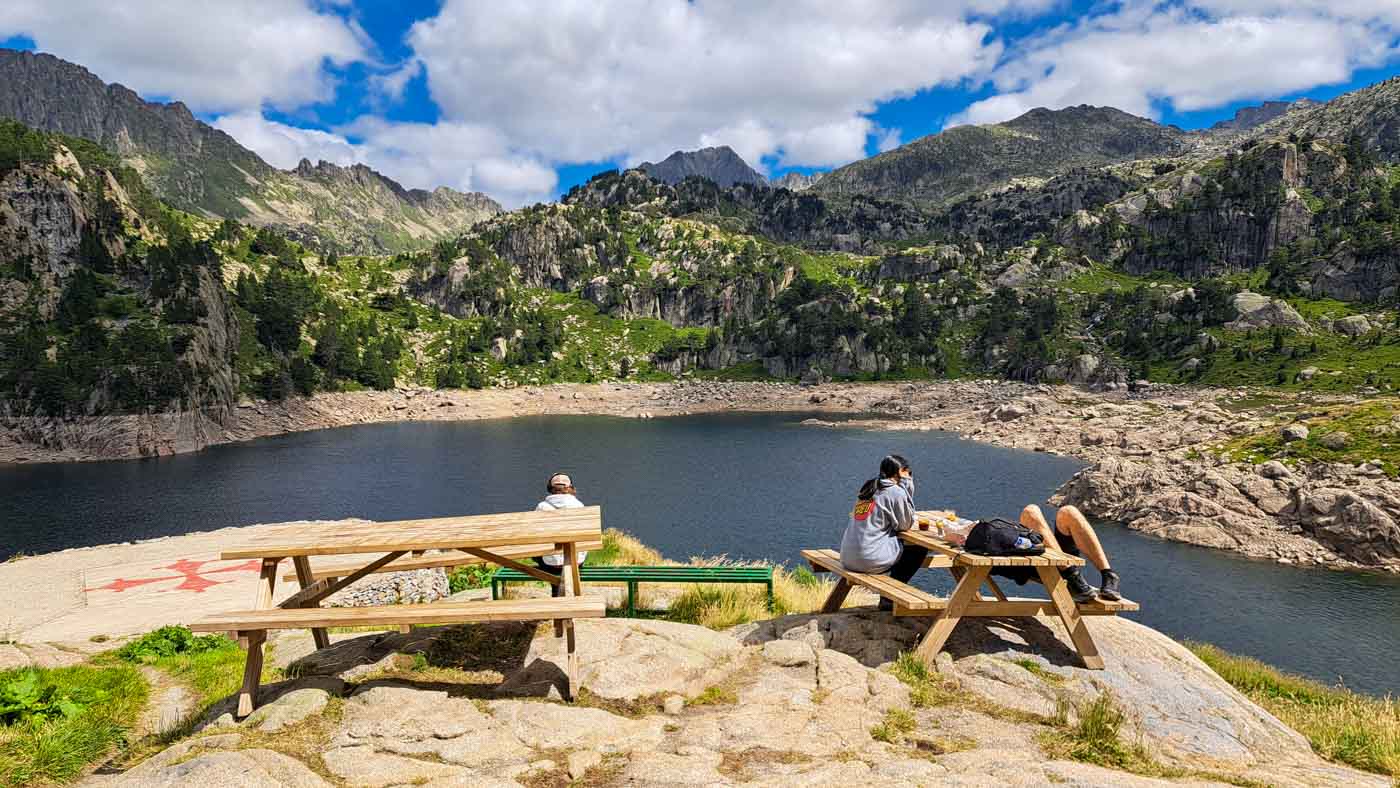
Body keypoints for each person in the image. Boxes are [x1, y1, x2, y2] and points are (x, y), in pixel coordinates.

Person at [839, 454, 930, 611]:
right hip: (868, 560)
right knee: (918, 549)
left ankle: (889, 596)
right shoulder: (895, 491)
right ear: (900, 472)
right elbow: (905, 525)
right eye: (909, 473)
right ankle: (888, 598)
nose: (910, 476)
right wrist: (907, 488)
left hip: (848, 557)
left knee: (903, 546)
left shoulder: (868, 487)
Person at [990, 504, 1122, 603]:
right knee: (1030, 512)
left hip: (1051, 554)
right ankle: (1072, 576)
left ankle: (1108, 575)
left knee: (1068, 511)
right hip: (1035, 560)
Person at [534, 472, 588, 597]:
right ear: (570, 488)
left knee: (541, 554)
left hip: (551, 563)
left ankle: (556, 587)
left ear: (550, 489)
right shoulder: (579, 506)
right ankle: (569, 591)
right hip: (576, 561)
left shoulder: (542, 507)